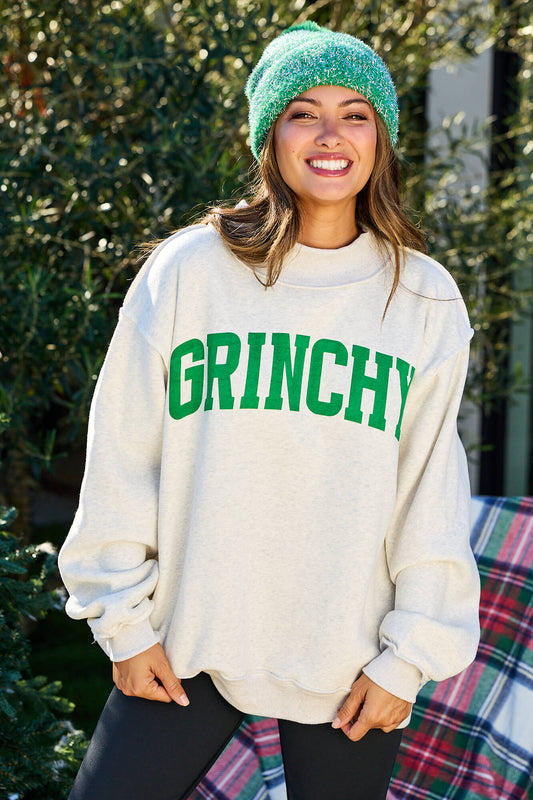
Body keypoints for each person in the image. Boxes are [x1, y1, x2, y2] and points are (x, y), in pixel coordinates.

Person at [58, 21, 481, 800]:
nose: (330, 134)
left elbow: (429, 494)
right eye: (302, 111)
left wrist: (407, 657)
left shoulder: (420, 298)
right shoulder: (190, 272)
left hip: (347, 666)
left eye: (355, 113)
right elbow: (123, 448)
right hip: (183, 646)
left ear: (381, 137)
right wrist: (120, 619)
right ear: (268, 136)